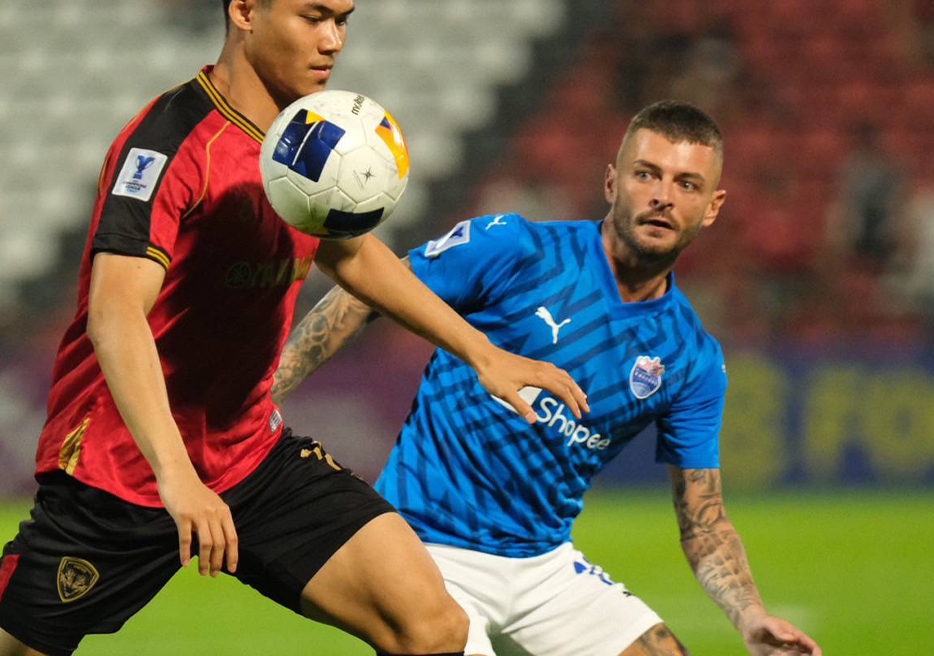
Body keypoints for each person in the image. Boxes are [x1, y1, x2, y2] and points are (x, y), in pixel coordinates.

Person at [0, 0, 588, 655]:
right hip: (125, 470)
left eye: (343, 20)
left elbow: (351, 253)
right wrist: (176, 477)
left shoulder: (313, 138)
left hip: (249, 455)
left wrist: (482, 353)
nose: (334, 40)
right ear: (245, 10)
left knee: (432, 626)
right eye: (314, 17)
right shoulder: (168, 144)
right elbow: (115, 313)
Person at [274, 102, 823, 656]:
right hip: (425, 549)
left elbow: (704, 522)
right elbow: (364, 292)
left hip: (543, 567)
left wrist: (750, 615)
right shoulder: (517, 250)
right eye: (646, 174)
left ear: (711, 207)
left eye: (686, 184)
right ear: (612, 182)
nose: (663, 196)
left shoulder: (690, 358)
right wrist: (266, 391)